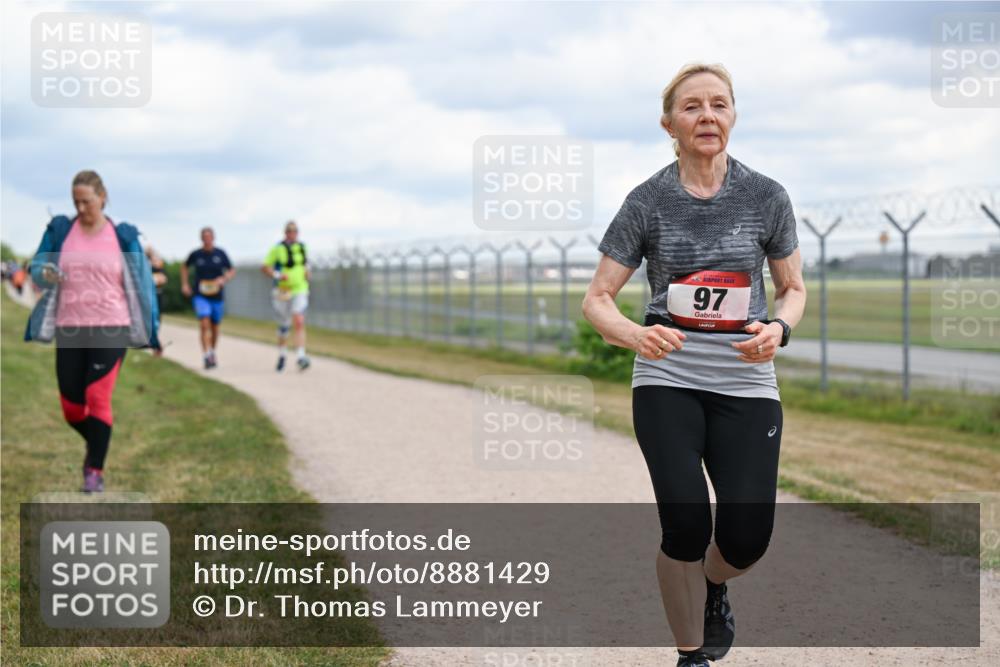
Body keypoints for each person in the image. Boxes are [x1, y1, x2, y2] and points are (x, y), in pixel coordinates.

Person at [582, 63, 806, 667]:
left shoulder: (767, 196)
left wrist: (779, 328)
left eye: (718, 105)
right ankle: (691, 655)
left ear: (732, 116)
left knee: (746, 539)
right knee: (684, 523)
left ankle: (712, 583)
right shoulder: (648, 200)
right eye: (692, 107)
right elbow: (596, 298)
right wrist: (637, 335)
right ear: (669, 123)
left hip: (745, 378)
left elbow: (793, 288)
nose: (707, 116)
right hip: (668, 377)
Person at [23, 170, 160, 493]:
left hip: (112, 325)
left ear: (103, 197)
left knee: (98, 398)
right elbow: (36, 268)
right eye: (76, 202)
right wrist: (45, 272)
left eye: (87, 201)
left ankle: (94, 470)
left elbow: (144, 286)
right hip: (69, 327)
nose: (81, 208)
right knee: (72, 408)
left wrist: (153, 330)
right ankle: (99, 440)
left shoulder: (122, 236)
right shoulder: (61, 230)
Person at [180, 227, 234, 369]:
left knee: (215, 327)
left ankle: (212, 352)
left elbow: (231, 269)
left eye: (209, 236)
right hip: (200, 295)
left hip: (217, 295)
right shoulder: (196, 254)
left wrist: (224, 278)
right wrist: (185, 284)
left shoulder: (220, 254)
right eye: (204, 237)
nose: (207, 239)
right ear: (201, 238)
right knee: (204, 323)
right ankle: (206, 355)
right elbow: (184, 267)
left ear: (213, 238)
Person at [260, 220, 311, 371]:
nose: (292, 234)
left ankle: (301, 356)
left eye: (295, 231)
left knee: (299, 320)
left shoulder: (302, 247)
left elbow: (306, 265)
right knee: (284, 324)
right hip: (282, 291)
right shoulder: (277, 249)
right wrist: (277, 275)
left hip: (300, 288)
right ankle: (282, 353)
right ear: (285, 233)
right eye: (290, 231)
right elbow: (265, 267)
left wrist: (307, 275)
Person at [144, 242, 168, 357]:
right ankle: (154, 345)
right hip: (146, 297)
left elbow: (162, 279)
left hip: (157, 296)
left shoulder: (156, 265)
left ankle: (155, 345)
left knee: (156, 321)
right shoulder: (142, 263)